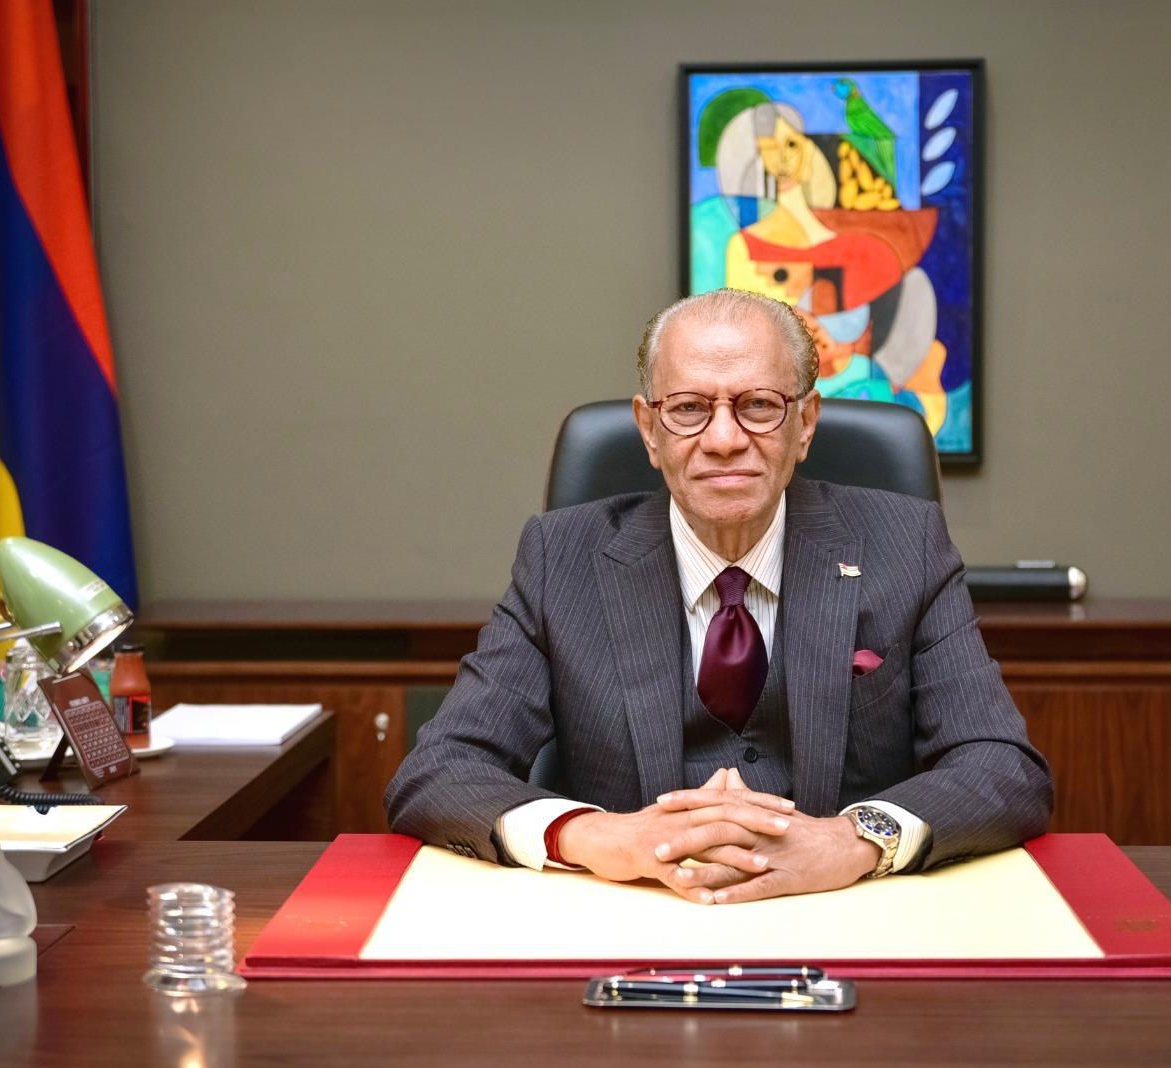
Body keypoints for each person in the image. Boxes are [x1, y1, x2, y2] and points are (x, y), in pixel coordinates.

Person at [384, 288, 1050, 904]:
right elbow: (440, 769)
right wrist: (594, 835)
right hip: (628, 911)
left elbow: (1002, 766)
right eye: (689, 409)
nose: (725, 440)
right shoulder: (563, 559)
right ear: (650, 430)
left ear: (805, 423)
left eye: (758, 405)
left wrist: (852, 841)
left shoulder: (904, 545)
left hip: (845, 909)